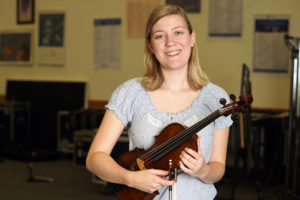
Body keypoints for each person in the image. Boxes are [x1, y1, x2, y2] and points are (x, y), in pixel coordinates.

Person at [86, 4, 233, 200]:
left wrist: (203, 171)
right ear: (150, 45)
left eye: (178, 32)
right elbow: (95, 158)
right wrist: (130, 178)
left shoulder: (215, 98)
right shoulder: (130, 92)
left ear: (192, 38)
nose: (170, 42)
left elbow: (218, 167)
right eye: (159, 36)